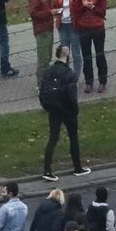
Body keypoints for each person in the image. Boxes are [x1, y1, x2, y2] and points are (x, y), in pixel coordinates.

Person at [37, 47, 88, 181]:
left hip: (53, 109)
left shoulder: (48, 71)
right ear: (66, 55)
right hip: (67, 109)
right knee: (73, 137)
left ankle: (47, 170)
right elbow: (71, 96)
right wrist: (75, 109)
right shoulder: (69, 73)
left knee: (53, 138)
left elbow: (42, 90)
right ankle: (77, 167)